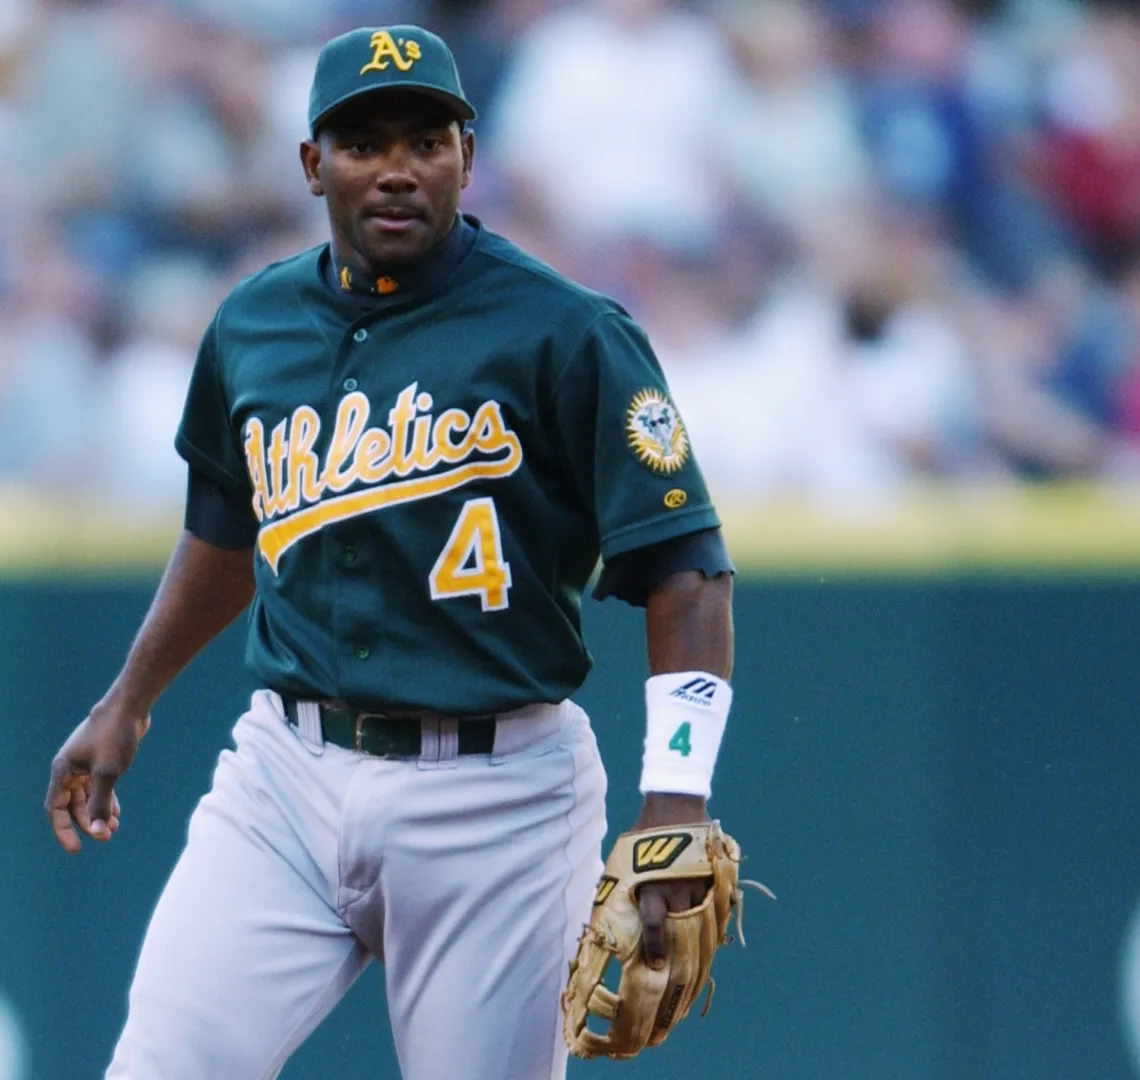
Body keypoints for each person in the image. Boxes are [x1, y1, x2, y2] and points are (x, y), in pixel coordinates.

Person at [45, 24, 742, 1080]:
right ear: (312, 163)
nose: (397, 168)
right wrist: (130, 696)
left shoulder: (567, 332)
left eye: (425, 138)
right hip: (285, 771)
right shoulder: (253, 324)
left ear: (468, 155)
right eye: (364, 142)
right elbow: (229, 531)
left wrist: (673, 812)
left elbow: (687, 572)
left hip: (497, 795)